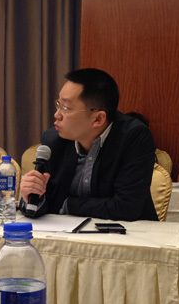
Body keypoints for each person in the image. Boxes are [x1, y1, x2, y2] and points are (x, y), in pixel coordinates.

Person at [19, 68, 158, 221]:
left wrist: (67, 204)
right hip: (66, 230)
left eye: (65, 108)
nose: (57, 115)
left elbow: (125, 208)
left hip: (130, 232)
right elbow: (48, 201)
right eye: (58, 104)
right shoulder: (54, 140)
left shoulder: (134, 138)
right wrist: (32, 197)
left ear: (98, 119)